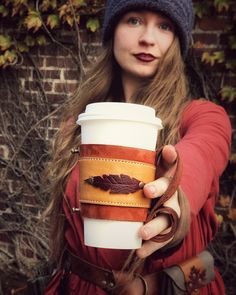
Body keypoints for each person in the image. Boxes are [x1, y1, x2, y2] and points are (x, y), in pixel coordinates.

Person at [43, 0, 232, 294]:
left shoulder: (201, 116)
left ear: (177, 41)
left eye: (165, 26)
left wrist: (176, 192)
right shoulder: (81, 124)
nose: (148, 37)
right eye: (133, 20)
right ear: (112, 30)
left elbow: (203, 151)